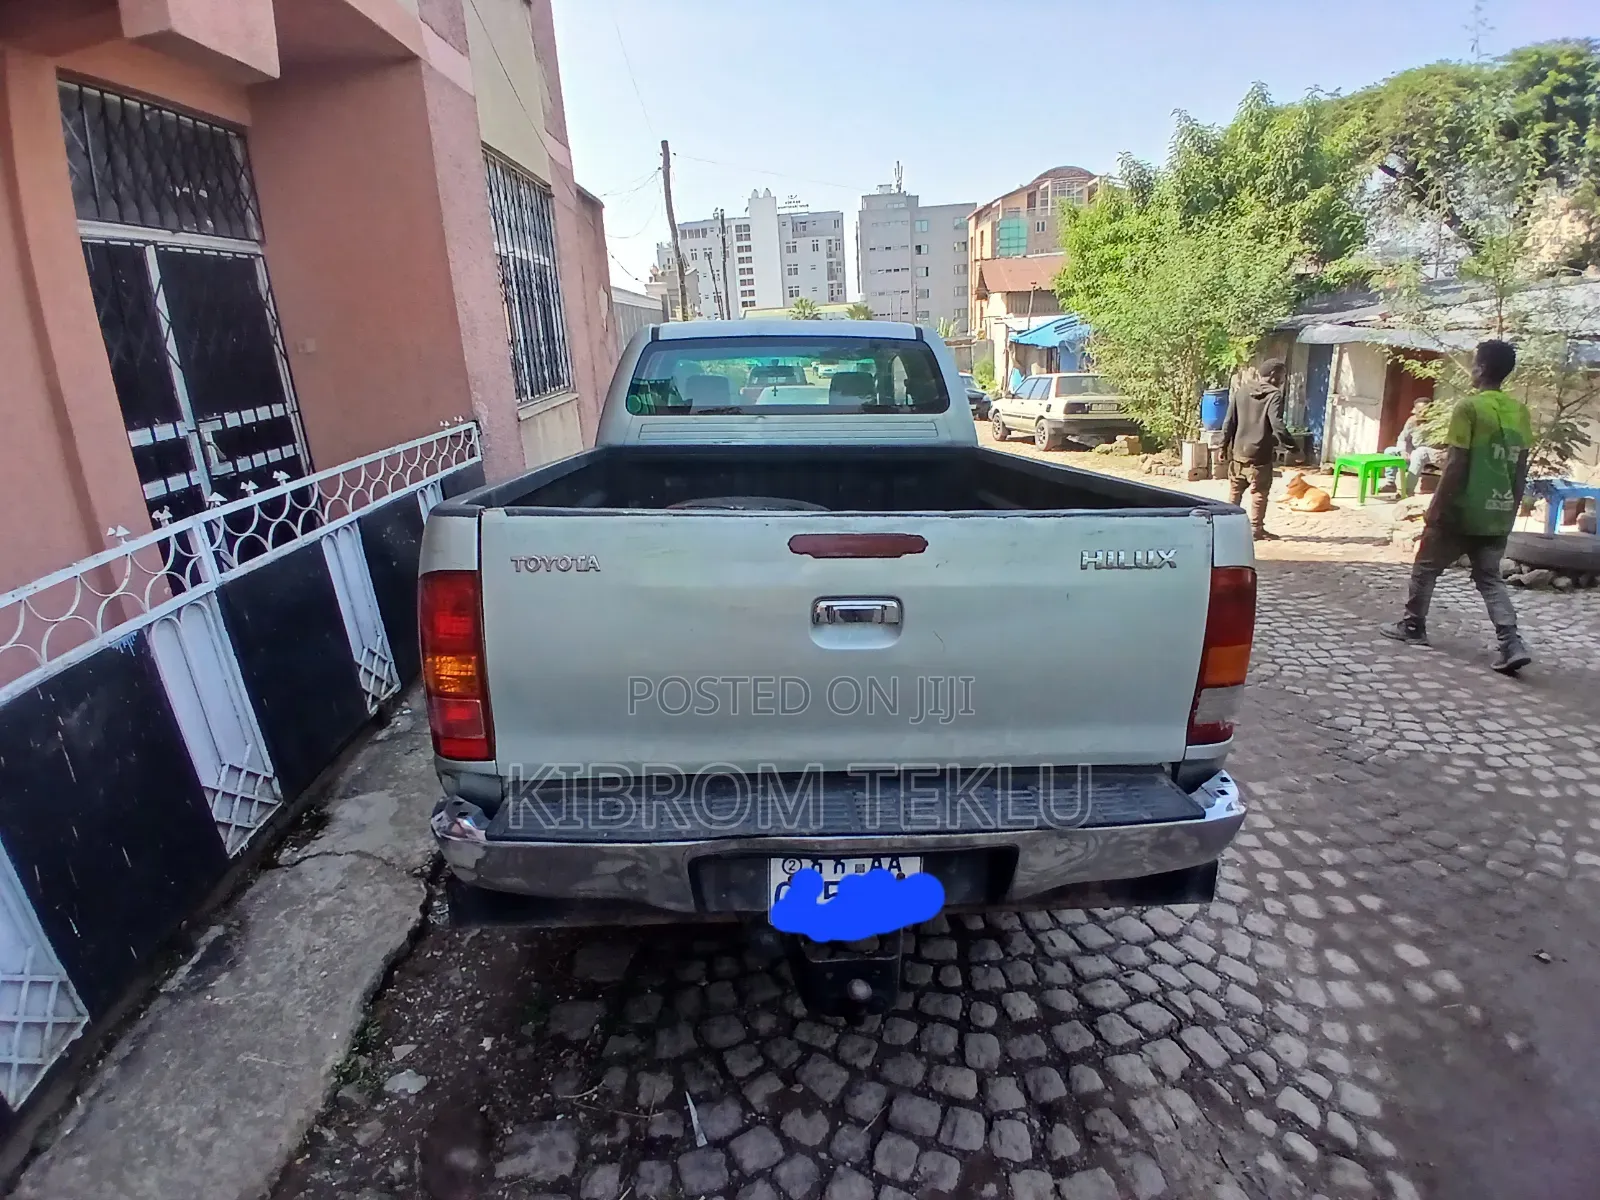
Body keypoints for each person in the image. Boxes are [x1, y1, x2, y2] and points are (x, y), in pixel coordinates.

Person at [1380, 339, 1533, 674]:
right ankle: (1511, 642)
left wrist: (1437, 506)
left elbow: (1456, 464)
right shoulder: (1519, 412)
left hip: (1462, 509)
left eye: (1475, 362)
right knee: (1490, 578)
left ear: (1479, 369)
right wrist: (1510, 509)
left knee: (1425, 567)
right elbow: (1521, 468)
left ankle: (1413, 626)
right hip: (1497, 511)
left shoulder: (1468, 408)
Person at [1221, 359, 1294, 540]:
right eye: (1282, 376)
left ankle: (1228, 525)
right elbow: (1277, 424)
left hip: (1239, 451)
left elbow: (1229, 421)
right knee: (1259, 492)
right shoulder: (1274, 395)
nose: (1283, 380)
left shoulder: (1241, 391)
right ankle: (1256, 529)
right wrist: (1293, 447)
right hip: (1260, 454)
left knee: (1235, 490)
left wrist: (1223, 446)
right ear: (1273, 375)